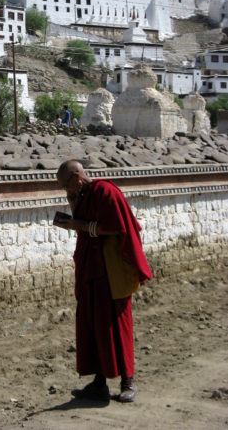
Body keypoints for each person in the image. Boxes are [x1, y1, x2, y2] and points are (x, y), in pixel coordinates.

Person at [54, 160, 153, 403]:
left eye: (66, 185)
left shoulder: (106, 192)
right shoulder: (84, 195)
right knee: (93, 324)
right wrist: (73, 208)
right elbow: (81, 225)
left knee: (117, 324)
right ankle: (99, 383)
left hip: (111, 269)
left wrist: (82, 225)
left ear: (77, 177)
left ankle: (128, 380)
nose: (66, 190)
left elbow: (118, 227)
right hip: (92, 268)